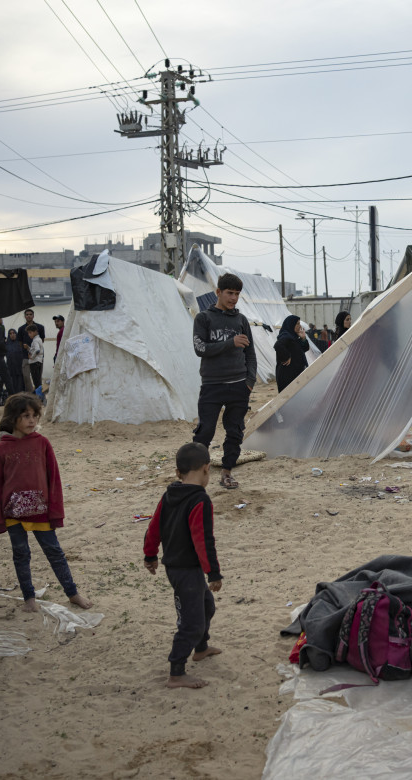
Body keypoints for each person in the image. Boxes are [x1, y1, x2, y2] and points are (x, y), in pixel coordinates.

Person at [0, 394, 93, 613]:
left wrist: (56, 512)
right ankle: (29, 598)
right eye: (26, 416)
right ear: (13, 417)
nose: (32, 421)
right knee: (21, 555)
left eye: (35, 416)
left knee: (54, 552)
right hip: (13, 514)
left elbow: (54, 479)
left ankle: (72, 594)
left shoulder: (42, 443)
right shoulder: (0, 450)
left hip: (41, 512)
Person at [143, 442, 224, 689]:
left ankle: (200, 648)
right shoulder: (200, 500)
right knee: (191, 622)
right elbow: (203, 540)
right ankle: (176, 672)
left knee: (206, 606)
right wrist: (214, 572)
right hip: (184, 570)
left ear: (179, 472)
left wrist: (150, 555)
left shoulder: (169, 495)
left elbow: (153, 527)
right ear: (207, 469)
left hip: (184, 568)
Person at [192, 272, 257, 490]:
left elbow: (251, 353)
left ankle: (227, 472)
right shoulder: (204, 318)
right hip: (212, 385)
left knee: (235, 431)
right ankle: (196, 474)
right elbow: (200, 349)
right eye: (230, 293)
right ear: (218, 292)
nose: (233, 298)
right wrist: (230, 343)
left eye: (237, 294)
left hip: (239, 385)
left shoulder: (241, 320)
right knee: (205, 431)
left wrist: (250, 381)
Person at [274, 315, 309, 392]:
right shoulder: (286, 336)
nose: (299, 326)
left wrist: (303, 338)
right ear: (291, 324)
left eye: (299, 323)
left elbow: (305, 348)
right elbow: (278, 345)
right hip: (287, 375)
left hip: (295, 374)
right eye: (297, 324)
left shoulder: (294, 338)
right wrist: (286, 357)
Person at [5, 329, 26, 396]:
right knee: (12, 383)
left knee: (20, 383)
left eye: (14, 333)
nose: (12, 335)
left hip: (20, 367)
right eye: (10, 334)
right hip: (10, 367)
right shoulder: (6, 344)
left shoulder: (20, 343)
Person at [25, 324, 44, 396]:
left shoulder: (35, 340)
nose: (29, 334)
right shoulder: (38, 339)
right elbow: (35, 350)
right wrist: (28, 348)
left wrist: (32, 357)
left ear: (35, 331)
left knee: (36, 381)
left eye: (30, 332)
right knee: (37, 380)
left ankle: (39, 396)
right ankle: (39, 395)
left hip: (34, 362)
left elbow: (37, 350)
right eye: (28, 333)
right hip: (38, 361)